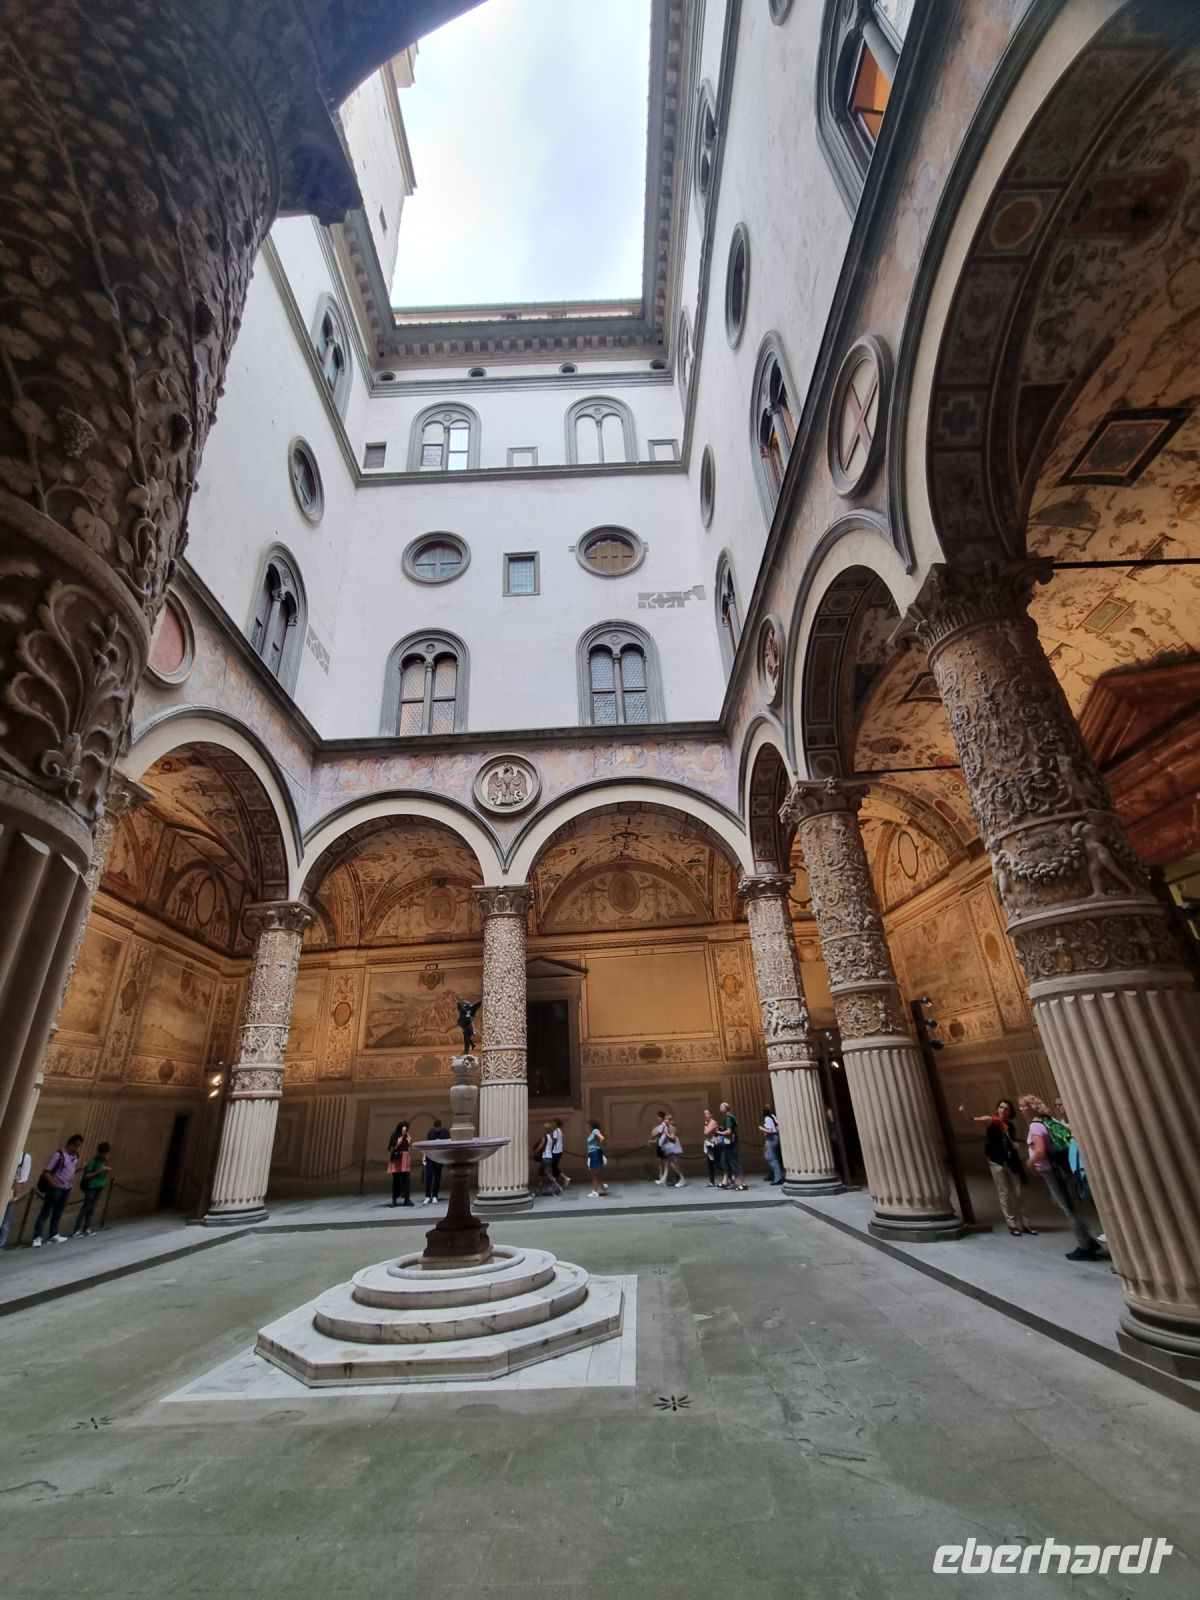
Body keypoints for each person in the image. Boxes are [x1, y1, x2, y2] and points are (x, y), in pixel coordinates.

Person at [1018, 1094, 1103, 1260]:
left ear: (1032, 1107)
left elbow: (1040, 1151)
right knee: (1068, 1204)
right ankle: (1087, 1240)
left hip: (1052, 1171)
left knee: (1067, 1207)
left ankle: (1084, 1245)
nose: (1021, 1109)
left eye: (1024, 1106)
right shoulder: (1049, 1120)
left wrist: (1029, 1163)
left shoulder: (1035, 1126)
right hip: (1061, 1168)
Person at [959, 1100, 1034, 1237]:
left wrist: (1015, 1145)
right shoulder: (991, 1121)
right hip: (996, 1161)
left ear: (1010, 1112)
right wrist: (964, 1112)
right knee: (1004, 1193)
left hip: (1011, 1161)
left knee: (1018, 1193)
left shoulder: (1010, 1126)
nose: (1002, 1110)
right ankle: (1011, 1224)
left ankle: (1026, 1224)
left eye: (1006, 1109)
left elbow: (1012, 1141)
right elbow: (974, 1120)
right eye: (1000, 1107)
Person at [31, 1134, 83, 1246]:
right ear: (70, 1144)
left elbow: (70, 1171)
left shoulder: (75, 1157)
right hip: (55, 1187)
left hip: (66, 1188)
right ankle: (37, 1236)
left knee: (58, 1212)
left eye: (78, 1146)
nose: (77, 1148)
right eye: (76, 1145)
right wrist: (53, 1184)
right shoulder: (58, 1155)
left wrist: (80, 1169)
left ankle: (53, 1234)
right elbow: (46, 1172)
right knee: (46, 1211)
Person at [72, 1142, 112, 1237]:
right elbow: (86, 1176)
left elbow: (103, 1174)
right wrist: (100, 1171)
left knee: (92, 1207)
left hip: (100, 1185)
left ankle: (87, 1227)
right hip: (91, 1186)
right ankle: (77, 1229)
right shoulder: (93, 1162)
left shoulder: (105, 1161)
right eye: (103, 1153)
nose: (104, 1155)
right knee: (86, 1207)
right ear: (100, 1152)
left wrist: (106, 1171)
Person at [0, 1152, 32, 1252]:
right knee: (5, 1221)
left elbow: (21, 1180)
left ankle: (1, 1243)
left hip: (9, 1191)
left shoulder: (24, 1157)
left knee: (5, 1220)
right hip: (9, 1190)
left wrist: (16, 1194)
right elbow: (22, 1179)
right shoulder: (24, 1157)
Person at [718, 1103, 747, 1190]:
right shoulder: (730, 1117)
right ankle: (728, 1181)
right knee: (725, 1161)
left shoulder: (729, 1118)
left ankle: (743, 1183)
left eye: (721, 1107)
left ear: (726, 1108)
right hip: (729, 1144)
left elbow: (729, 1131)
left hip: (731, 1143)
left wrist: (720, 1133)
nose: (719, 1108)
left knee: (735, 1163)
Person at [421, 1117, 449, 1205]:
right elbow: (427, 1144)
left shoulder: (445, 1132)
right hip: (430, 1157)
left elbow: (448, 1143)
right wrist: (424, 1156)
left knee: (437, 1177)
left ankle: (434, 1196)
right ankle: (427, 1196)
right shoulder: (431, 1132)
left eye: (438, 1128)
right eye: (435, 1128)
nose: (437, 1129)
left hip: (439, 1158)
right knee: (428, 1177)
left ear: (440, 1127)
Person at [387, 1122, 413, 1207]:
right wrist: (401, 1136)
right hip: (397, 1159)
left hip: (405, 1159)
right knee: (396, 1180)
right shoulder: (395, 1135)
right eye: (405, 1128)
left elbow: (409, 1145)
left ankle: (407, 1198)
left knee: (406, 1180)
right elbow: (393, 1146)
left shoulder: (407, 1136)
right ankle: (394, 1199)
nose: (406, 1130)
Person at [534, 1122, 562, 1195]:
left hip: (545, 1158)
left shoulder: (545, 1137)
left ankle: (558, 1187)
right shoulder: (551, 1137)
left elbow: (541, 1146)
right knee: (541, 1175)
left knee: (548, 1175)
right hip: (549, 1157)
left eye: (543, 1129)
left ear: (546, 1130)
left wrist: (536, 1151)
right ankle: (538, 1191)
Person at [658, 1114, 685, 1188]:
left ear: (669, 1120)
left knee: (673, 1164)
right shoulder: (667, 1127)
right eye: (664, 1119)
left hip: (672, 1148)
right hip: (669, 1148)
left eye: (666, 1119)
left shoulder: (671, 1127)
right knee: (667, 1164)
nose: (665, 1120)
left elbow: (672, 1138)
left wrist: (666, 1134)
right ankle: (663, 1180)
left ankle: (682, 1179)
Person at [759, 1107, 784, 1185]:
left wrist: (761, 1129)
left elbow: (770, 1131)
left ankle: (778, 1178)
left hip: (772, 1138)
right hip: (774, 1138)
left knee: (771, 1158)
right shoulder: (772, 1116)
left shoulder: (767, 1118)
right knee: (771, 1157)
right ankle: (776, 1175)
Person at [586, 1121, 608, 1198]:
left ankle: (594, 1191)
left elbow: (601, 1138)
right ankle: (602, 1186)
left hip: (595, 1152)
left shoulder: (595, 1130)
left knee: (595, 1173)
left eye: (588, 1125)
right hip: (593, 1153)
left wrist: (599, 1146)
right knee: (597, 1172)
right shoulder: (593, 1132)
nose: (588, 1127)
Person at [649, 1110, 670, 1185]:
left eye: (658, 1117)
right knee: (660, 1161)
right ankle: (661, 1177)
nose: (657, 1118)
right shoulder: (663, 1125)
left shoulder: (663, 1125)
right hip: (661, 1144)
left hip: (663, 1145)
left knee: (664, 1162)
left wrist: (652, 1138)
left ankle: (663, 1178)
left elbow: (657, 1134)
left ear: (661, 1117)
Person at [702, 1109, 721, 1186]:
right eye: (704, 1114)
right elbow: (706, 1132)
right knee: (710, 1163)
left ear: (711, 1115)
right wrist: (706, 1125)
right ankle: (712, 1181)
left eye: (707, 1114)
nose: (705, 1115)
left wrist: (706, 1126)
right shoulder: (707, 1123)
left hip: (715, 1145)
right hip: (710, 1145)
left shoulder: (713, 1122)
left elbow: (706, 1132)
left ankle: (730, 1177)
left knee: (718, 1164)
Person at [550, 1119, 569, 1189]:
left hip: (555, 1151)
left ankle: (564, 1179)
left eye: (553, 1123)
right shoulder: (560, 1131)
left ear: (556, 1123)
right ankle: (557, 1182)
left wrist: (550, 1148)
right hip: (559, 1151)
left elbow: (554, 1141)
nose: (552, 1124)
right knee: (554, 1167)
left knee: (553, 1167)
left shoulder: (556, 1131)